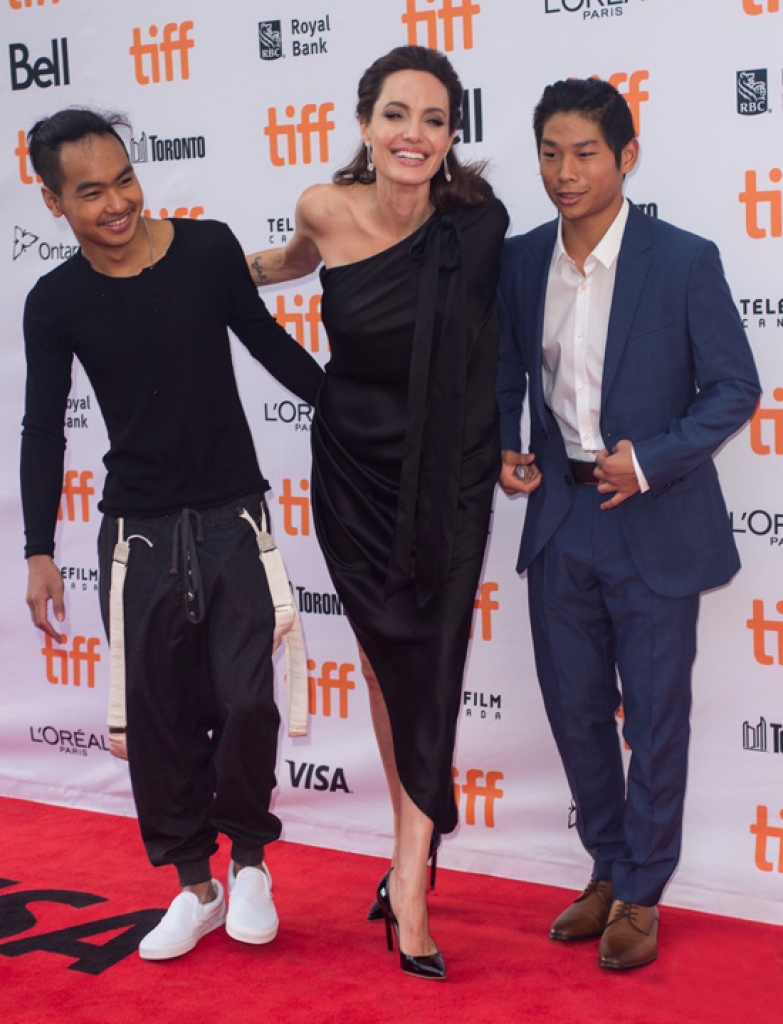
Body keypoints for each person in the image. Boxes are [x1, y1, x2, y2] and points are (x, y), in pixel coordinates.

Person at [21, 109, 324, 961]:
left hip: (232, 518)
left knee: (246, 702)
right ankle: (196, 885)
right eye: (91, 192)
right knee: (158, 723)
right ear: (53, 203)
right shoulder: (55, 301)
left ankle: (251, 862)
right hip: (137, 537)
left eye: (125, 178)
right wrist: (38, 549)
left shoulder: (206, 249)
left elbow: (267, 344)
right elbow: (43, 428)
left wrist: (354, 415)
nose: (118, 202)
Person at [246, 45, 508, 980]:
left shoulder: (477, 225)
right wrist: (198, 268)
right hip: (354, 468)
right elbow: (288, 262)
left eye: (434, 120)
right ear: (364, 123)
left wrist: (510, 443)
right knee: (385, 664)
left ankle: (409, 878)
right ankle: (411, 857)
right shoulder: (325, 206)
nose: (413, 134)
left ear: (451, 134)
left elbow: (497, 345)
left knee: (430, 662)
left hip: (448, 475)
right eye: (396, 114)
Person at [496, 77, 760, 970]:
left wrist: (647, 460)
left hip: (652, 517)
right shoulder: (521, 260)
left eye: (584, 153)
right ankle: (606, 868)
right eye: (549, 153)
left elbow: (733, 386)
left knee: (653, 717)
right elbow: (505, 370)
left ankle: (642, 890)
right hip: (559, 516)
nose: (564, 173)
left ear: (625, 157)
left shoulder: (681, 259)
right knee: (575, 712)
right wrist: (504, 443)